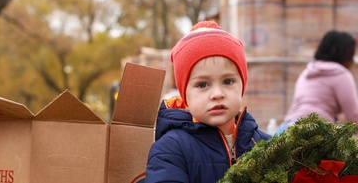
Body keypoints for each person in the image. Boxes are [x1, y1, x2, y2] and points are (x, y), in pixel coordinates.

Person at [145, 20, 271, 182]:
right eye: (202, 84)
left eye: (227, 81)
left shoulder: (265, 144)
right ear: (185, 95)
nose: (217, 94)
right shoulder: (170, 149)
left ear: (242, 85)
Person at [276, 30, 358, 134]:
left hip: (286, 128)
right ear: (345, 55)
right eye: (351, 55)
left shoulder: (307, 71)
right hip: (315, 132)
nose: (352, 62)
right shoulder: (341, 74)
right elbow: (354, 117)